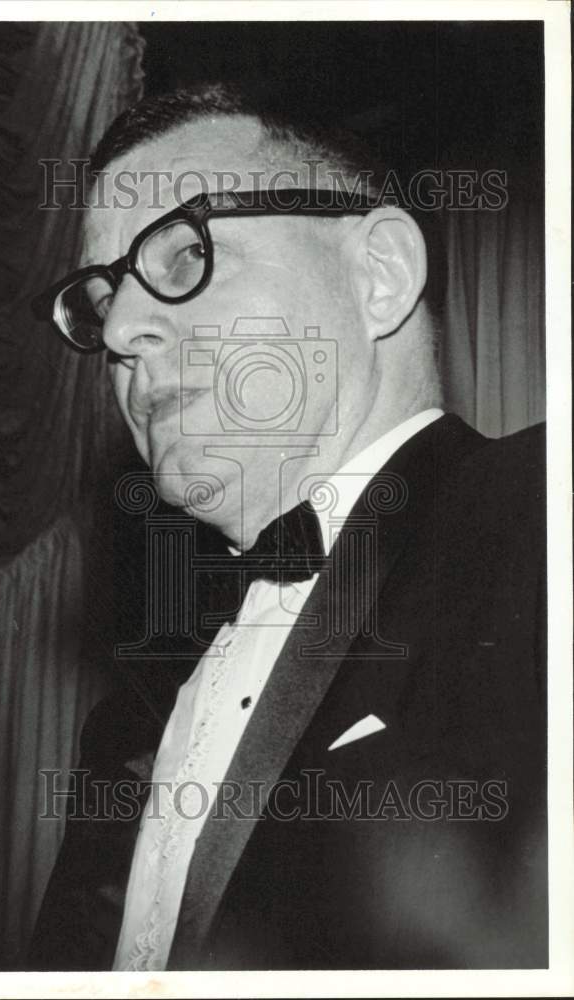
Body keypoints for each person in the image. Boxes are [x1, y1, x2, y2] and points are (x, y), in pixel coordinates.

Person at [27, 84, 547, 971]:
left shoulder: (538, 518)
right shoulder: (128, 722)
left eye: (184, 254)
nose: (119, 329)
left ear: (377, 275)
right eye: (103, 293)